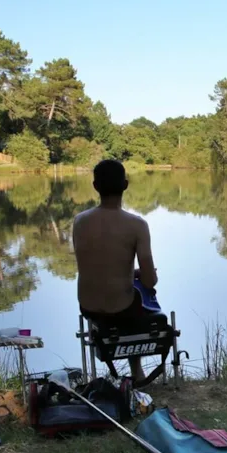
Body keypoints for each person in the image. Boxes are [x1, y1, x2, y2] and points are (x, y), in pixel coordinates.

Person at [73, 159, 158, 385]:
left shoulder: (79, 221)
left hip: (87, 306)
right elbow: (150, 281)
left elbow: (96, 264)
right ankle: (137, 370)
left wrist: (130, 274)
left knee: (129, 291)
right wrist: (141, 276)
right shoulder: (137, 225)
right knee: (143, 297)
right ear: (126, 185)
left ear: (95, 186)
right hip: (121, 309)